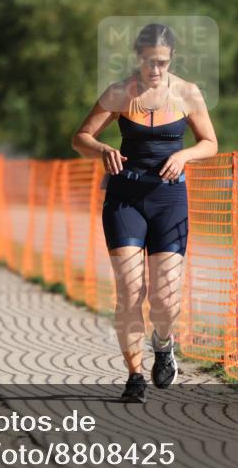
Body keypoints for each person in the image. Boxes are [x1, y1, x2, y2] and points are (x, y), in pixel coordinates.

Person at [71, 23, 218, 402]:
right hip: (125, 198)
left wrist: (184, 155)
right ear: (137, 58)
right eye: (149, 62)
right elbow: (80, 138)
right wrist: (102, 150)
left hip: (169, 201)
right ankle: (135, 374)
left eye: (163, 62)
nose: (156, 69)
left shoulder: (187, 93)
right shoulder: (120, 92)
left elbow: (210, 143)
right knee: (130, 291)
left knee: (166, 300)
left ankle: (163, 343)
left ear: (172, 60)